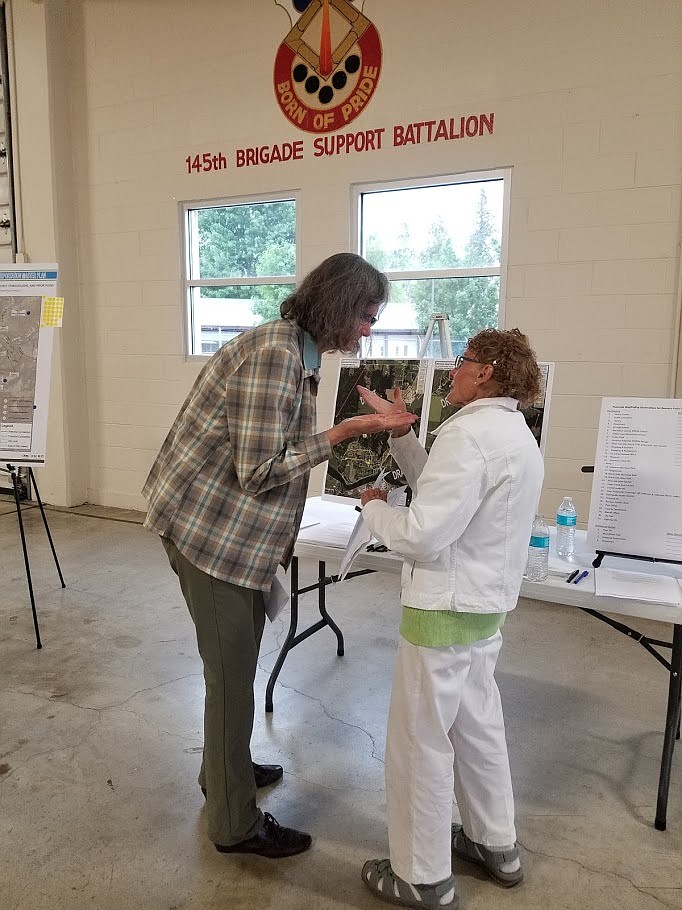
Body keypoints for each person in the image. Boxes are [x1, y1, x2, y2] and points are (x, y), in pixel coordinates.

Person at [142, 253, 416, 859]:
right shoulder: (275, 355)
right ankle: (233, 822)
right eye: (367, 316)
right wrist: (344, 432)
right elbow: (260, 468)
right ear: (339, 308)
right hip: (206, 535)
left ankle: (225, 772)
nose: (369, 329)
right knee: (231, 678)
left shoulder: (300, 354)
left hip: (227, 531)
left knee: (232, 669)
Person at [357, 328, 544, 909]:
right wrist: (405, 436)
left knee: (420, 742)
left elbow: (424, 532)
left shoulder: (467, 436)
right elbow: (449, 498)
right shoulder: (514, 432)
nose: (454, 371)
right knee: (478, 726)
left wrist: (375, 512)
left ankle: (422, 875)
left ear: (485, 371)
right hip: (484, 610)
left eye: (462, 361)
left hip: (443, 609)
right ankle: (497, 844)